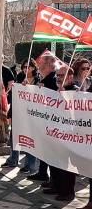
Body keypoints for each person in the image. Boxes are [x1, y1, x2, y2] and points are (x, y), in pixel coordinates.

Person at [43, 65, 79, 201]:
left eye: (61, 75)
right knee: (55, 160)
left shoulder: (76, 91)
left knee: (66, 165)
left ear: (70, 77)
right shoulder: (56, 90)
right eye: (57, 75)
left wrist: (65, 97)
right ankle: (56, 185)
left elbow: (76, 113)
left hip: (68, 134)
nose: (58, 78)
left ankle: (68, 192)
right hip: (55, 131)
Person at [27, 54, 59, 183]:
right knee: (44, 148)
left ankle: (52, 179)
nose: (38, 66)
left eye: (41, 64)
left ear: (48, 65)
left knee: (49, 150)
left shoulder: (52, 79)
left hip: (50, 120)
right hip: (44, 119)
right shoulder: (45, 79)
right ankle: (42, 172)